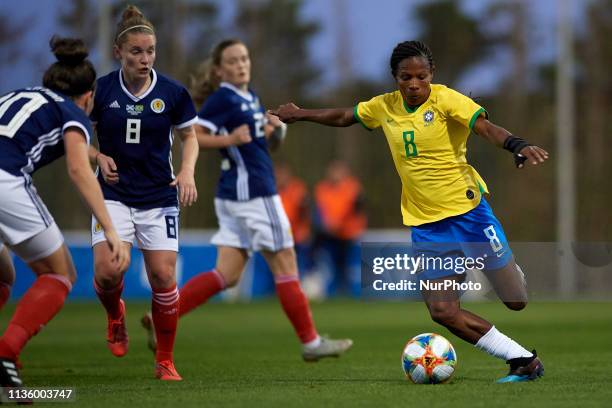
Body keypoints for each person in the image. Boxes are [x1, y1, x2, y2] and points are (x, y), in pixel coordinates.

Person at [270, 40, 549, 382]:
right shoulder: (384, 106)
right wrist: (301, 114)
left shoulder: (447, 99)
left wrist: (517, 145)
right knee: (443, 310)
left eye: (421, 76)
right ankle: (521, 359)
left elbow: (486, 128)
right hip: (429, 227)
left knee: (516, 300)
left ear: (432, 75)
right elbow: (345, 116)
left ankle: (511, 273)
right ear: (395, 78)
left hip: (471, 216)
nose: (414, 84)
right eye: (406, 77)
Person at [141, 39, 352, 362]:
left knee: (227, 274)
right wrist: (230, 138)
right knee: (286, 264)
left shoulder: (249, 96)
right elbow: (192, 136)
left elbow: (252, 144)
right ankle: (310, 342)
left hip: (234, 195)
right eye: (234, 60)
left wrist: (271, 132)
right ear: (219, 70)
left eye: (245, 58)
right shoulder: (224, 99)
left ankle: (163, 317)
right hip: (254, 193)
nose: (242, 64)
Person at [0, 37, 128, 389]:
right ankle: (6, 353)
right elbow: (77, 169)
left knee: (4, 274)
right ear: (88, 97)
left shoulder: (21, 95)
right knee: (60, 273)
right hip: (4, 181)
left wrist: (94, 154)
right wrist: (110, 229)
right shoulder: (74, 113)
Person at [89, 5, 199, 381]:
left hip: (158, 196)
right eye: (136, 51)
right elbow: (74, 137)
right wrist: (97, 155)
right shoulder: (100, 89)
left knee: (164, 278)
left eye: (150, 51)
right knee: (107, 273)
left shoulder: (172, 92)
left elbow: (189, 136)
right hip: (112, 195)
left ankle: (165, 361)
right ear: (118, 52)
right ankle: (115, 315)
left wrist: (186, 170)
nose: (145, 58)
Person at [312, 160, 366, 295]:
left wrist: (337, 224)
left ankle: (356, 295)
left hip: (350, 235)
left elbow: (353, 209)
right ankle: (333, 295)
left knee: (352, 268)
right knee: (333, 268)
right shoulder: (322, 188)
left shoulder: (353, 187)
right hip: (330, 236)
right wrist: (324, 224)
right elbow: (319, 210)